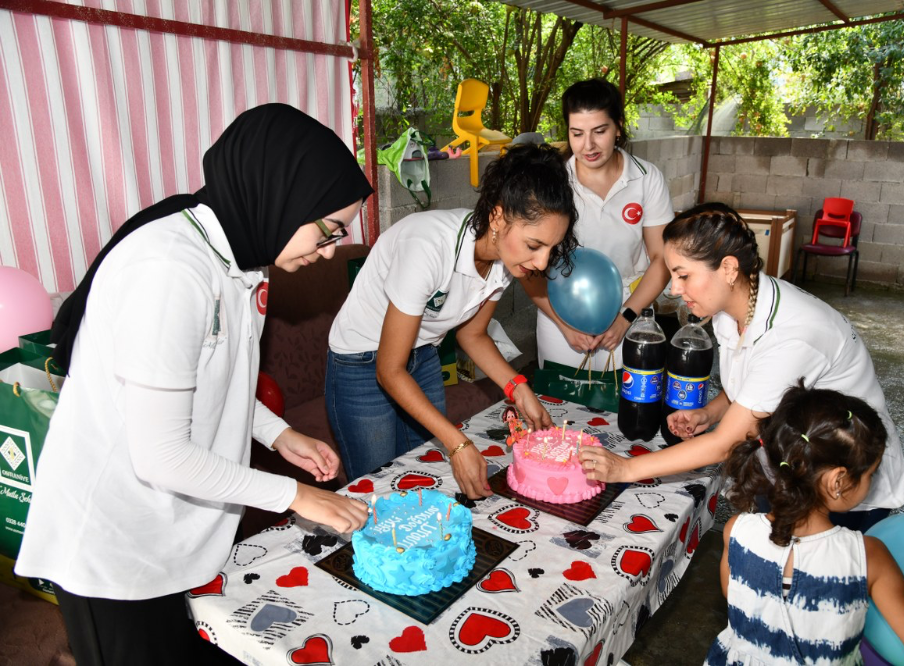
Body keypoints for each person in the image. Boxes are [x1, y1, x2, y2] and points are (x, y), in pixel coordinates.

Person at [15, 104, 373, 665]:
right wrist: (297, 495)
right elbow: (160, 456)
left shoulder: (246, 259)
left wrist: (278, 434)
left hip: (174, 531)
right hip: (114, 543)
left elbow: (218, 372)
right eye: (328, 231)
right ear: (280, 198)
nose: (330, 250)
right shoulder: (168, 270)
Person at [579, 202, 904, 532]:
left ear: (728, 268)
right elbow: (755, 385)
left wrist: (625, 470)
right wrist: (710, 412)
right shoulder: (731, 308)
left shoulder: (792, 335)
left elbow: (726, 443)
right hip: (789, 463)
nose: (675, 290)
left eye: (683, 275)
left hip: (843, 480)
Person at [326, 143, 577, 498]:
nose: (541, 262)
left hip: (422, 355)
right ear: (498, 217)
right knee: (378, 489)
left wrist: (519, 388)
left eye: (551, 249)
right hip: (362, 363)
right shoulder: (428, 246)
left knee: (424, 473)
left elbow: (472, 335)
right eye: (534, 245)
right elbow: (389, 370)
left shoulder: (505, 261)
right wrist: (458, 445)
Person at [706, 384, 904, 666]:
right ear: (838, 481)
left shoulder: (736, 530)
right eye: (871, 474)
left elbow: (739, 604)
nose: (872, 482)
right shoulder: (868, 558)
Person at [525, 78, 674, 370]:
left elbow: (661, 259)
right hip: (560, 314)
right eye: (577, 133)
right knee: (560, 405)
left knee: (623, 406)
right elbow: (528, 263)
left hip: (627, 310)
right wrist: (563, 324)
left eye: (600, 131)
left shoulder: (647, 178)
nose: (588, 145)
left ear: (618, 127)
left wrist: (625, 319)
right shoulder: (552, 181)